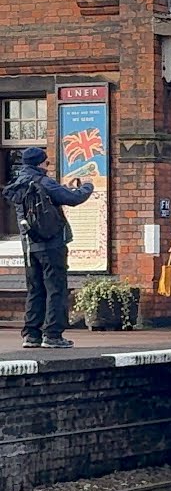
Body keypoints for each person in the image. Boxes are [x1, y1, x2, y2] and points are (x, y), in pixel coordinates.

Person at [2, 146, 94, 348]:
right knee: (56, 288)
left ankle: (31, 334)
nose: (48, 166)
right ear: (40, 163)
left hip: (29, 245)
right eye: (47, 162)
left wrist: (63, 187)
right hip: (52, 243)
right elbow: (73, 198)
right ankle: (53, 334)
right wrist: (87, 186)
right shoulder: (44, 181)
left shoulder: (19, 184)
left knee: (35, 289)